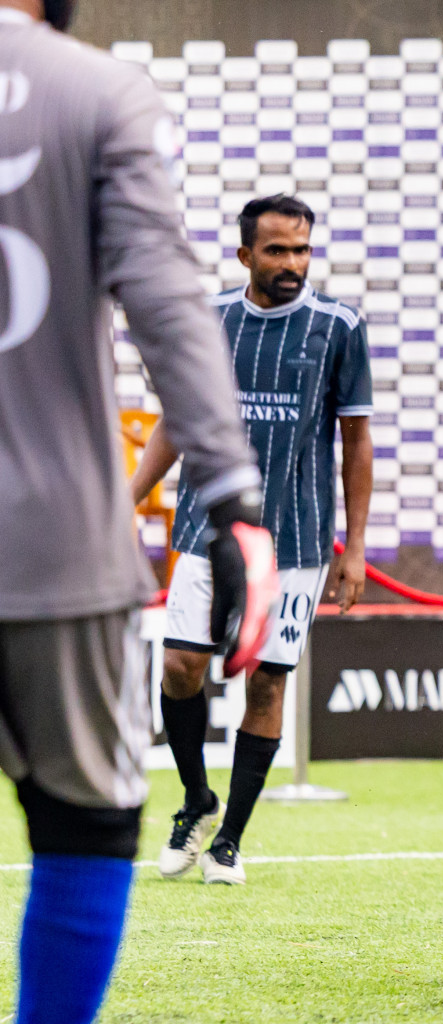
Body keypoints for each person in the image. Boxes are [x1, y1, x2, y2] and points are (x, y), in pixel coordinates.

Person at [0, 4, 273, 1022]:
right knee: (87, 824)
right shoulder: (97, 89)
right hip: (54, 542)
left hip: (58, 547)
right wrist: (237, 500)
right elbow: (167, 307)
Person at [131, 195, 374, 886]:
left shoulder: (340, 326)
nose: (292, 263)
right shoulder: (209, 322)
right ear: (246, 256)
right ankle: (195, 799)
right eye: (277, 251)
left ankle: (229, 838)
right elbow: (177, 422)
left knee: (266, 686)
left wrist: (352, 548)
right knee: (181, 667)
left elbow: (357, 442)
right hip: (207, 527)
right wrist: (125, 500)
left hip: (294, 543)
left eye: (301, 250)